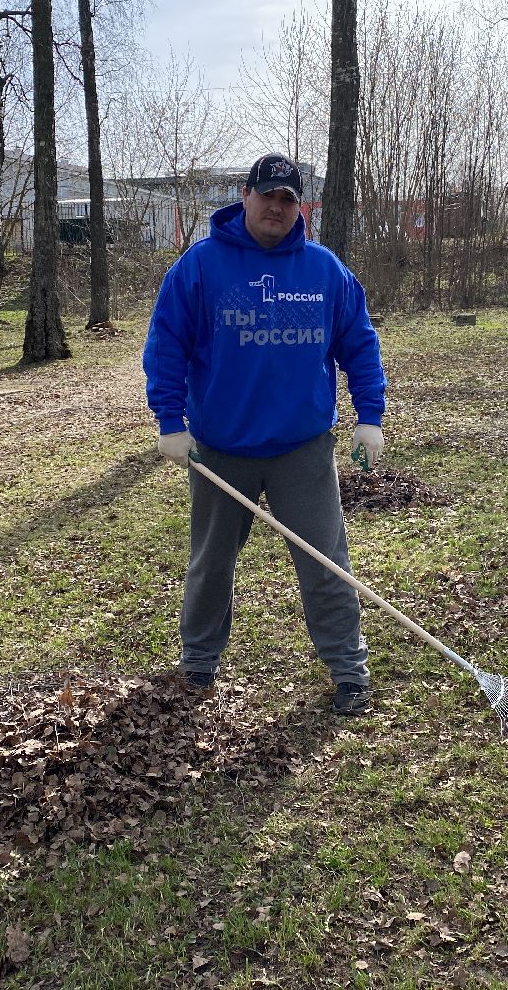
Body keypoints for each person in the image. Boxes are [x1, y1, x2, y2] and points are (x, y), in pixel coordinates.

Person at [143, 153, 387, 716]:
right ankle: (199, 665)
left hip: (301, 449)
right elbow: (167, 346)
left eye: (287, 199)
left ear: (298, 207)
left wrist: (369, 416)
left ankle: (349, 670)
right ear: (246, 197)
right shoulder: (201, 267)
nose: (276, 207)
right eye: (267, 195)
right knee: (211, 563)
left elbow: (360, 344)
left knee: (326, 561)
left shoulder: (324, 271)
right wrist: (170, 422)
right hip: (220, 450)